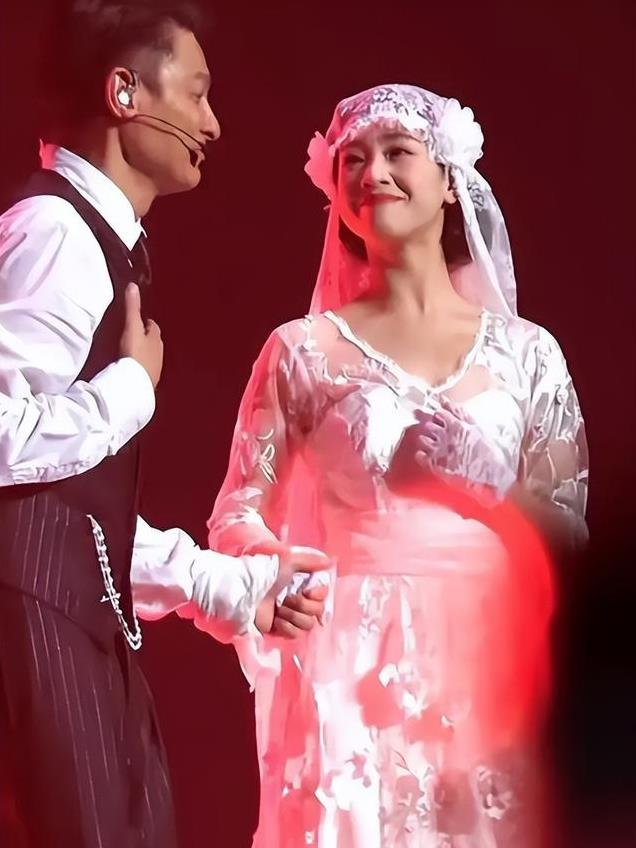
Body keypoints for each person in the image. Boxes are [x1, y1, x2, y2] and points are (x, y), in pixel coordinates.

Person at [207, 84, 589, 847]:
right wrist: (275, 571)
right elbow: (236, 513)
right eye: (352, 159)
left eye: (396, 152)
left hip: (489, 660)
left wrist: (494, 490)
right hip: (352, 665)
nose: (372, 172)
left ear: (449, 179)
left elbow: (574, 544)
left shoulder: (529, 355)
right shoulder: (302, 352)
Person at [0, 2, 326, 846]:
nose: (212, 125)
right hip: (35, 642)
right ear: (125, 93)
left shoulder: (96, 241)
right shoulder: (55, 233)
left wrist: (223, 584)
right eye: (196, 93)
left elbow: (66, 511)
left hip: (76, 634)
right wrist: (129, 392)